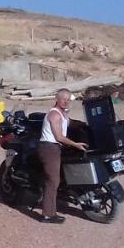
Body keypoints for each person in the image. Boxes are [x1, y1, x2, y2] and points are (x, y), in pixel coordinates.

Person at [37, 88, 87, 224]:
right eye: (63, 99)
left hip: (54, 148)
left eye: (68, 99)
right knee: (53, 181)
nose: (66, 102)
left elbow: (70, 123)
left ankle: (51, 211)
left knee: (56, 180)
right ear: (57, 99)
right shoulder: (54, 115)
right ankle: (47, 215)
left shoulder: (62, 113)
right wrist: (75, 144)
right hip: (49, 148)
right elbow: (59, 137)